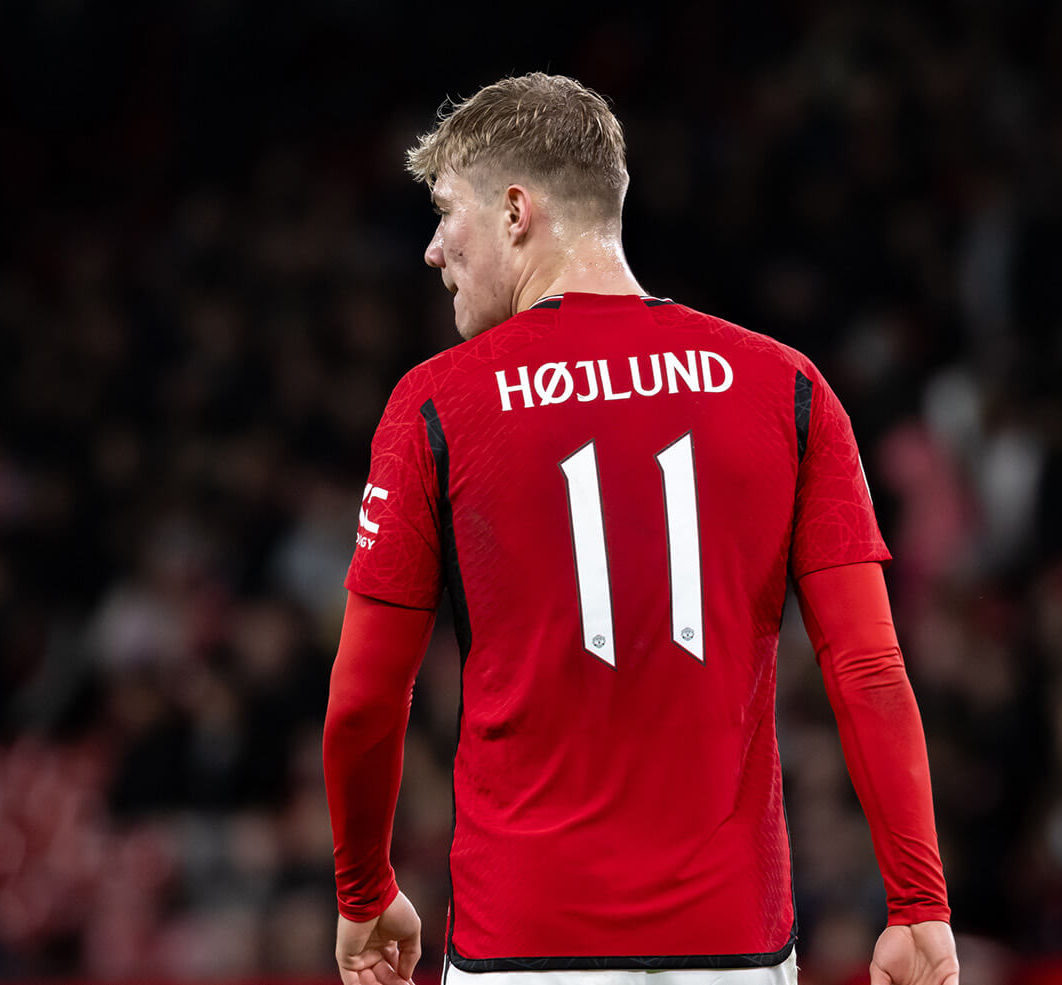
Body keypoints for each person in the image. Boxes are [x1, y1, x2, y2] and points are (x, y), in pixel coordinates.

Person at [322, 73, 958, 985]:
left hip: (524, 945)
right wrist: (918, 902)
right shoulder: (786, 388)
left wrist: (362, 889)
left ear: (514, 211)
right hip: (733, 944)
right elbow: (869, 669)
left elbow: (364, 700)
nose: (430, 250)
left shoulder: (436, 405)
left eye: (444, 212)